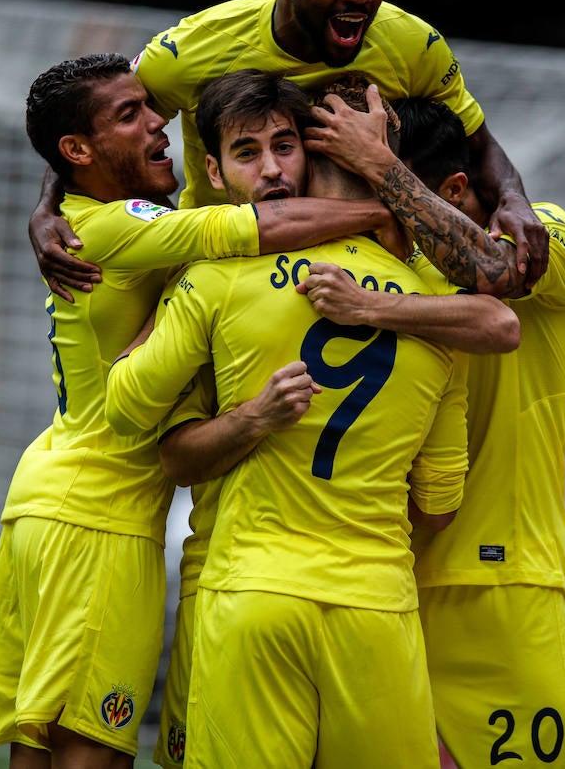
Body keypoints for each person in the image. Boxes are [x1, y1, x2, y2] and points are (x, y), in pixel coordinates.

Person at [0, 53, 422, 768]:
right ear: (77, 151)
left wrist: (46, 201)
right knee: (91, 753)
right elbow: (251, 227)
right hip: (102, 513)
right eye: (131, 115)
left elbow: (89, 154)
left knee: (38, 748)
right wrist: (392, 197)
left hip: (52, 498)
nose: (158, 123)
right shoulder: (129, 225)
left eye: (149, 106)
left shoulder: (84, 216)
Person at [105, 69, 520, 769]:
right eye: (251, 152)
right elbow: (439, 501)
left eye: (284, 145)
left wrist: (246, 413)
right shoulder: (441, 310)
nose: (271, 166)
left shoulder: (218, 271)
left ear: (309, 150)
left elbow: (126, 411)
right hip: (376, 605)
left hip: (252, 591)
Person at [27, 0, 549, 303]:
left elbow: (479, 143)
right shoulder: (192, 50)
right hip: (227, 261)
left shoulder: (414, 44)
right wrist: (48, 204)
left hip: (367, 261)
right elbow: (93, 127)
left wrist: (514, 198)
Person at [300, 91, 565, 767]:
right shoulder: (385, 264)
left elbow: (498, 277)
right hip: (380, 592)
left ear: (454, 187)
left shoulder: (548, 235)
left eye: (387, 195)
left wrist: (382, 168)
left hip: (503, 588)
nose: (374, 218)